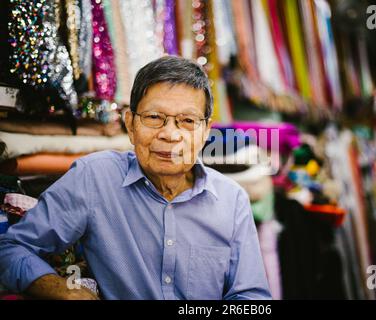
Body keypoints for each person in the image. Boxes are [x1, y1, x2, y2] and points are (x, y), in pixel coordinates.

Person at [0, 56, 271, 300]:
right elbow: (11, 247)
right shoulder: (94, 178)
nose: (170, 134)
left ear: (205, 132)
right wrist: (60, 289)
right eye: (154, 117)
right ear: (130, 124)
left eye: (187, 121)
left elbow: (251, 298)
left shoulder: (231, 199)